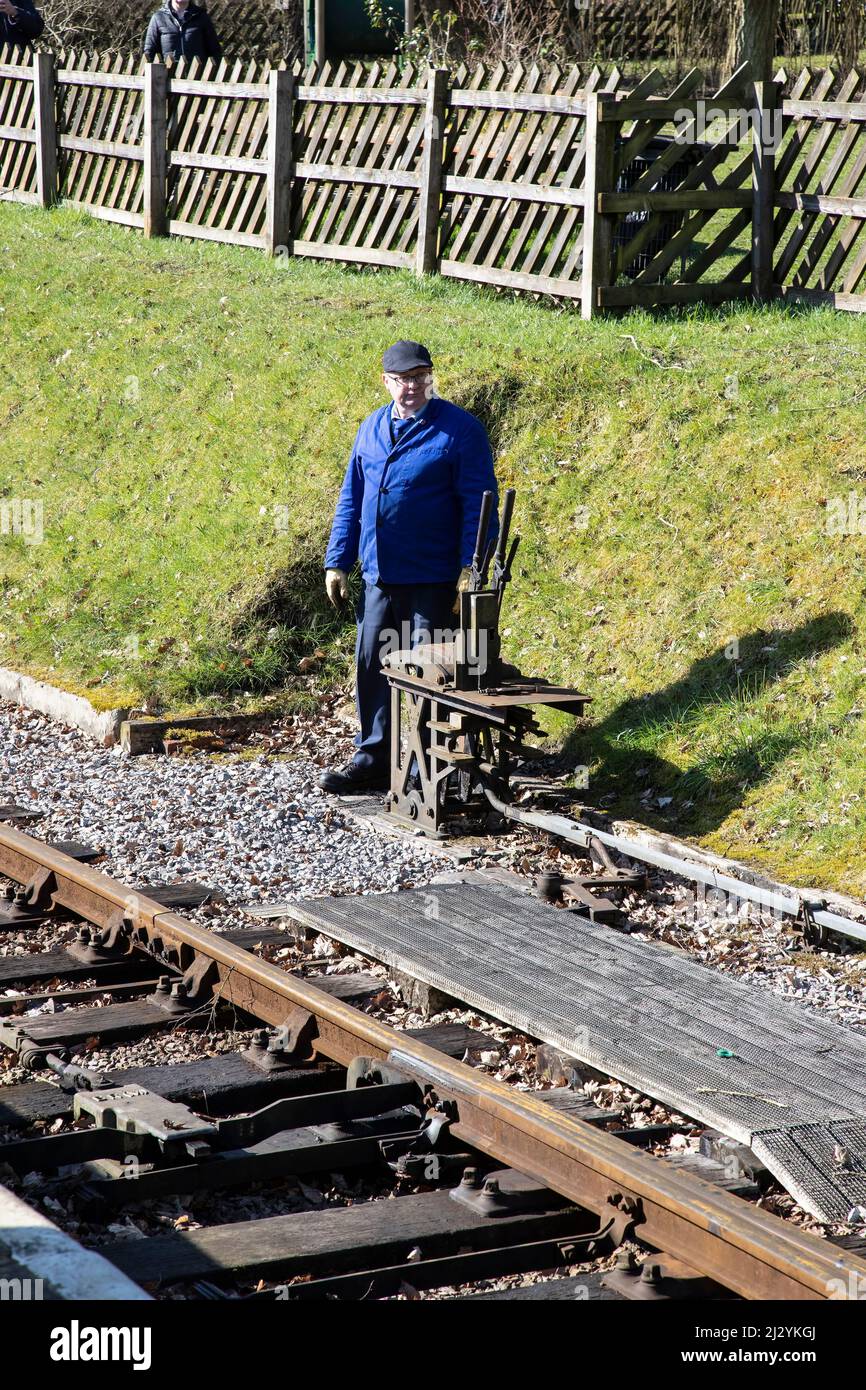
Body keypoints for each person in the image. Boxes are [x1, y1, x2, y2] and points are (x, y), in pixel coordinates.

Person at [319, 340, 498, 794]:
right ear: (386, 382)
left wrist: (469, 569)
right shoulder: (371, 429)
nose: (413, 387)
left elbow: (480, 505)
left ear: (431, 378)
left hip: (432, 577)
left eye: (420, 378)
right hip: (379, 573)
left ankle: (424, 766)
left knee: (426, 673)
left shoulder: (460, 431)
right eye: (403, 380)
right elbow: (351, 499)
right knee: (371, 662)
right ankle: (374, 756)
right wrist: (337, 561)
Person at [144, 0, 222, 62]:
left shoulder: (201, 17)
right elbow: (150, 51)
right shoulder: (158, 18)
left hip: (196, 75)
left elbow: (214, 50)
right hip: (167, 75)